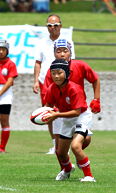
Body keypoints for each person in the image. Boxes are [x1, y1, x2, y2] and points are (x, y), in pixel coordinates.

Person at [42, 38, 100, 174]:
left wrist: (96, 99)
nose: (62, 54)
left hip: (78, 111)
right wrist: (45, 113)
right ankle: (66, 169)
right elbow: (48, 97)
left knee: (84, 140)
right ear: (54, 53)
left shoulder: (81, 66)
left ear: (70, 52)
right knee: (59, 148)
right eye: (58, 51)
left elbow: (95, 79)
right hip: (59, 112)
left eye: (65, 51)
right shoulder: (52, 72)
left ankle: (80, 158)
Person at [33, 14, 75, 154]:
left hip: (64, 83)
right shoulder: (42, 42)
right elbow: (38, 63)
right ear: (47, 27)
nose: (53, 28)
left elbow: (72, 62)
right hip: (46, 81)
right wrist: (36, 81)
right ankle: (55, 144)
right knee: (48, 111)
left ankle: (65, 143)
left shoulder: (67, 41)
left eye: (55, 25)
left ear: (61, 26)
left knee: (64, 111)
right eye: (50, 25)